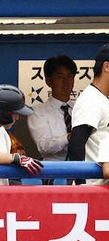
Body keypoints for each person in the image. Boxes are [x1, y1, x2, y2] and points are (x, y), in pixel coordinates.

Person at [69, 45, 109, 184]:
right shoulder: (91, 99)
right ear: (106, 67)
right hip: (92, 190)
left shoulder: (103, 99)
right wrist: (81, 189)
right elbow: (76, 144)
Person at [27, 55, 78, 162]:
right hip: (55, 172)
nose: (66, 82)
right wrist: (68, 138)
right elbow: (43, 147)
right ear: (48, 81)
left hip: (83, 168)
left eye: (70, 76)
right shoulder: (37, 112)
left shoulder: (80, 108)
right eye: (60, 77)